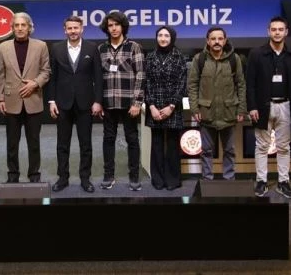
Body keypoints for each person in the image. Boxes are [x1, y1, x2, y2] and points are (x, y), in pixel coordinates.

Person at [47, 15, 103, 193]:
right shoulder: (56, 48)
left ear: (82, 29)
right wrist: (51, 101)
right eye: (69, 28)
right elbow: (52, 77)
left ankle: (85, 179)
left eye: (76, 28)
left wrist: (98, 101)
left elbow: (98, 77)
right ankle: (62, 178)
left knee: (86, 144)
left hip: (86, 103)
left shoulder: (92, 48)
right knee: (62, 144)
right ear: (65, 30)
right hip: (62, 103)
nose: (73, 31)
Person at [246, 16, 291, 199]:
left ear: (286, 32)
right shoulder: (256, 53)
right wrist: (252, 106)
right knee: (262, 146)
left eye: (280, 29)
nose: (277, 33)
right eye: (274, 29)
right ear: (268, 31)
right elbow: (250, 83)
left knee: (284, 147)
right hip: (262, 107)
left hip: (286, 105)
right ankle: (261, 181)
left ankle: (283, 182)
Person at [0, 12, 51, 183]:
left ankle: (34, 175)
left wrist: (35, 83)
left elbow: (46, 71)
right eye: (16, 25)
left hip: (33, 100)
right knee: (12, 143)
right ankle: (13, 175)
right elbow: (0, 75)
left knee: (34, 142)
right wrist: (0, 98)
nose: (20, 28)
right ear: (12, 28)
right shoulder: (2, 47)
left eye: (23, 25)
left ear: (29, 28)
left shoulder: (41, 46)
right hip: (11, 101)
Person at [187, 26, 247, 180]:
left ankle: (229, 179)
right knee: (206, 151)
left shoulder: (234, 59)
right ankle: (207, 180)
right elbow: (192, 85)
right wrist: (195, 109)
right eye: (213, 39)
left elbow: (241, 85)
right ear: (208, 41)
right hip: (206, 113)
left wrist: (241, 109)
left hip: (228, 113)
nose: (217, 42)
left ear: (225, 40)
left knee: (229, 150)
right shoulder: (199, 59)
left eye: (220, 38)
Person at [97, 11, 144, 191]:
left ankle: (134, 177)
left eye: (117, 25)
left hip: (128, 103)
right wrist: (98, 101)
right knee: (108, 139)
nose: (114, 28)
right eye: (110, 25)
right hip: (108, 102)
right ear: (106, 28)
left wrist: (137, 103)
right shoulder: (101, 49)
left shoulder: (134, 47)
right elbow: (97, 78)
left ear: (123, 26)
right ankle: (108, 176)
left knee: (132, 139)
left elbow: (140, 75)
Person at [143, 25, 187, 191]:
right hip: (154, 106)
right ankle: (158, 180)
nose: (163, 38)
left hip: (172, 107)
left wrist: (171, 106)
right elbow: (146, 83)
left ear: (172, 38)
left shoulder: (179, 57)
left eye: (166, 36)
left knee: (173, 144)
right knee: (156, 144)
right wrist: (151, 106)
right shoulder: (150, 57)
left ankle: (173, 180)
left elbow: (182, 84)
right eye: (160, 35)